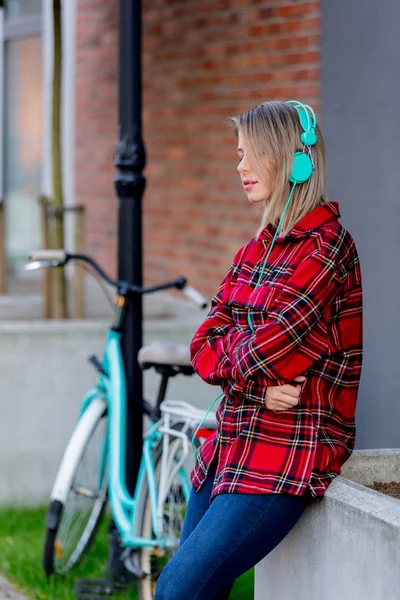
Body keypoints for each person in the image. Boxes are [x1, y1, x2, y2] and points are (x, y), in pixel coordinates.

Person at [154, 100, 363, 600]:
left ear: (292, 161)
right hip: (230, 444)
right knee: (197, 591)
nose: (240, 166)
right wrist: (256, 391)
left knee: (177, 589)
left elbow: (267, 351)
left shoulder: (328, 249)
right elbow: (202, 344)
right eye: (238, 153)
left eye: (251, 154)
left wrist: (242, 367)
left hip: (287, 452)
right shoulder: (254, 250)